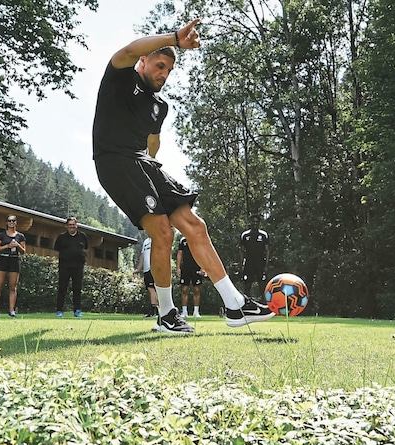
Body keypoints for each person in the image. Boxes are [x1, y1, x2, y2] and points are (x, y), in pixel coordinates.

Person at [92, 18, 275, 333]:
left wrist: (153, 176)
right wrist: (176, 38)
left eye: (169, 70)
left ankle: (235, 306)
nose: (163, 74)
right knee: (163, 233)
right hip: (114, 160)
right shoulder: (120, 77)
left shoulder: (158, 106)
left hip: (142, 163)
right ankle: (166, 315)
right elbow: (130, 48)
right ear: (144, 61)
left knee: (195, 225)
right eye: (159, 66)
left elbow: (152, 143)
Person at [53, 216, 89, 318]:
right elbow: (56, 249)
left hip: (78, 266)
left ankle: (77, 310)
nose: (71, 227)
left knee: (77, 289)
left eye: (73, 225)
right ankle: (59, 310)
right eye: (70, 225)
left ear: (76, 225)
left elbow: (85, 248)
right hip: (64, 266)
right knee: (62, 288)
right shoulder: (61, 237)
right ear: (66, 226)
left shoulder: (83, 236)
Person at [0, 214, 26, 318]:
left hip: (14, 260)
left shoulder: (20, 236)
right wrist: (7, 246)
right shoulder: (2, 235)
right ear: (6, 223)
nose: (11, 222)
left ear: (16, 222)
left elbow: (24, 251)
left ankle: (11, 310)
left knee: (13, 287)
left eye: (13, 221)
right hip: (3, 259)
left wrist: (17, 245)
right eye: (9, 221)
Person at [240, 214, 270, 297]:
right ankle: (246, 303)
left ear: (259, 223)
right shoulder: (245, 235)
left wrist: (266, 265)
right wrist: (242, 264)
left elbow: (267, 250)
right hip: (249, 263)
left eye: (257, 222)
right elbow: (242, 251)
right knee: (247, 284)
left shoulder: (264, 235)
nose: (255, 223)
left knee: (262, 284)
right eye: (253, 221)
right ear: (250, 222)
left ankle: (264, 303)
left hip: (260, 263)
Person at [176, 236, 203, 318]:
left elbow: (202, 253)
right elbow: (180, 254)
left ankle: (196, 312)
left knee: (196, 289)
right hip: (185, 267)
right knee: (184, 289)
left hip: (196, 267)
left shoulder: (198, 238)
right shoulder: (183, 240)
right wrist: (178, 268)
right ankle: (184, 312)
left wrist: (203, 267)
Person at [133, 236, 158, 317]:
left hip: (155, 267)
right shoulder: (146, 241)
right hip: (146, 269)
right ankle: (155, 310)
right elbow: (142, 256)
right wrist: (138, 269)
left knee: (152, 289)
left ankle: (155, 311)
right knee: (150, 289)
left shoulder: (157, 238)